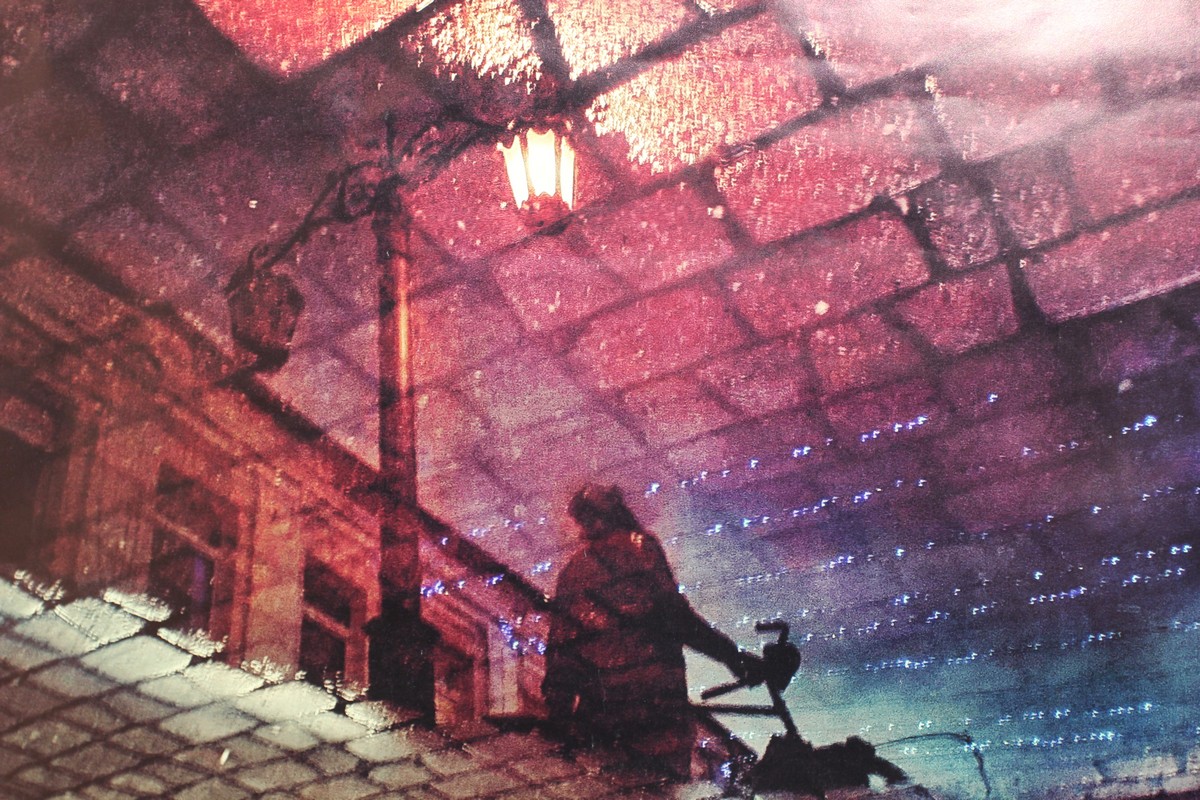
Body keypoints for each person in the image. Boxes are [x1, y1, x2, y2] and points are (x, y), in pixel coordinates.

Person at [542, 483, 762, 781]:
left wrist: (560, 716)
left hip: (599, 711)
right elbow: (674, 616)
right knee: (659, 785)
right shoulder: (638, 547)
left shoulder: (573, 572)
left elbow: (561, 651)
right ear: (619, 511)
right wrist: (732, 657)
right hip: (653, 704)